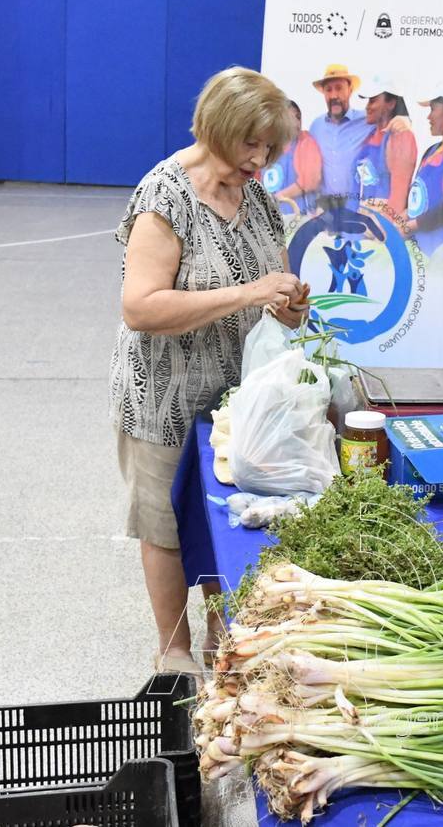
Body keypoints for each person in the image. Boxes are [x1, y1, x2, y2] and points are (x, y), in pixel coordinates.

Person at [109, 67, 311, 674]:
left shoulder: (257, 200)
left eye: (270, 148)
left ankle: (224, 633)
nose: (261, 159)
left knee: (222, 521)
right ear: (219, 128)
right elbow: (140, 306)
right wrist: (250, 292)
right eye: (251, 143)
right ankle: (172, 650)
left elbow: (275, 296)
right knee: (166, 526)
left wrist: (289, 303)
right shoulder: (164, 196)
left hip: (233, 406)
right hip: (163, 398)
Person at [404, 77, 443, 257]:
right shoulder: (431, 151)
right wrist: (394, 221)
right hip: (417, 248)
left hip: (440, 251)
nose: (428, 116)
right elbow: (416, 203)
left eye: (432, 109)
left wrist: (409, 226)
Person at [307, 64, 375, 206]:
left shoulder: (367, 121)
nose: (334, 96)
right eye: (328, 90)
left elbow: (392, 125)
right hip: (326, 211)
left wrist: (403, 119)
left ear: (350, 90)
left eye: (339, 88)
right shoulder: (316, 127)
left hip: (356, 208)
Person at [353, 74, 418, 216]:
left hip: (379, 228)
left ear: (391, 103)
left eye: (373, 101)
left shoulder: (401, 138)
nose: (367, 107)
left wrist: (384, 232)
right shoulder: (368, 134)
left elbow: (398, 200)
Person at [261, 100, 321, 216]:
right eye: (290, 119)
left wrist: (277, 198)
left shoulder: (306, 142)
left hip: (301, 219)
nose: (296, 124)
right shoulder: (266, 148)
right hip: (273, 222)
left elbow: (311, 181)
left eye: (298, 118)